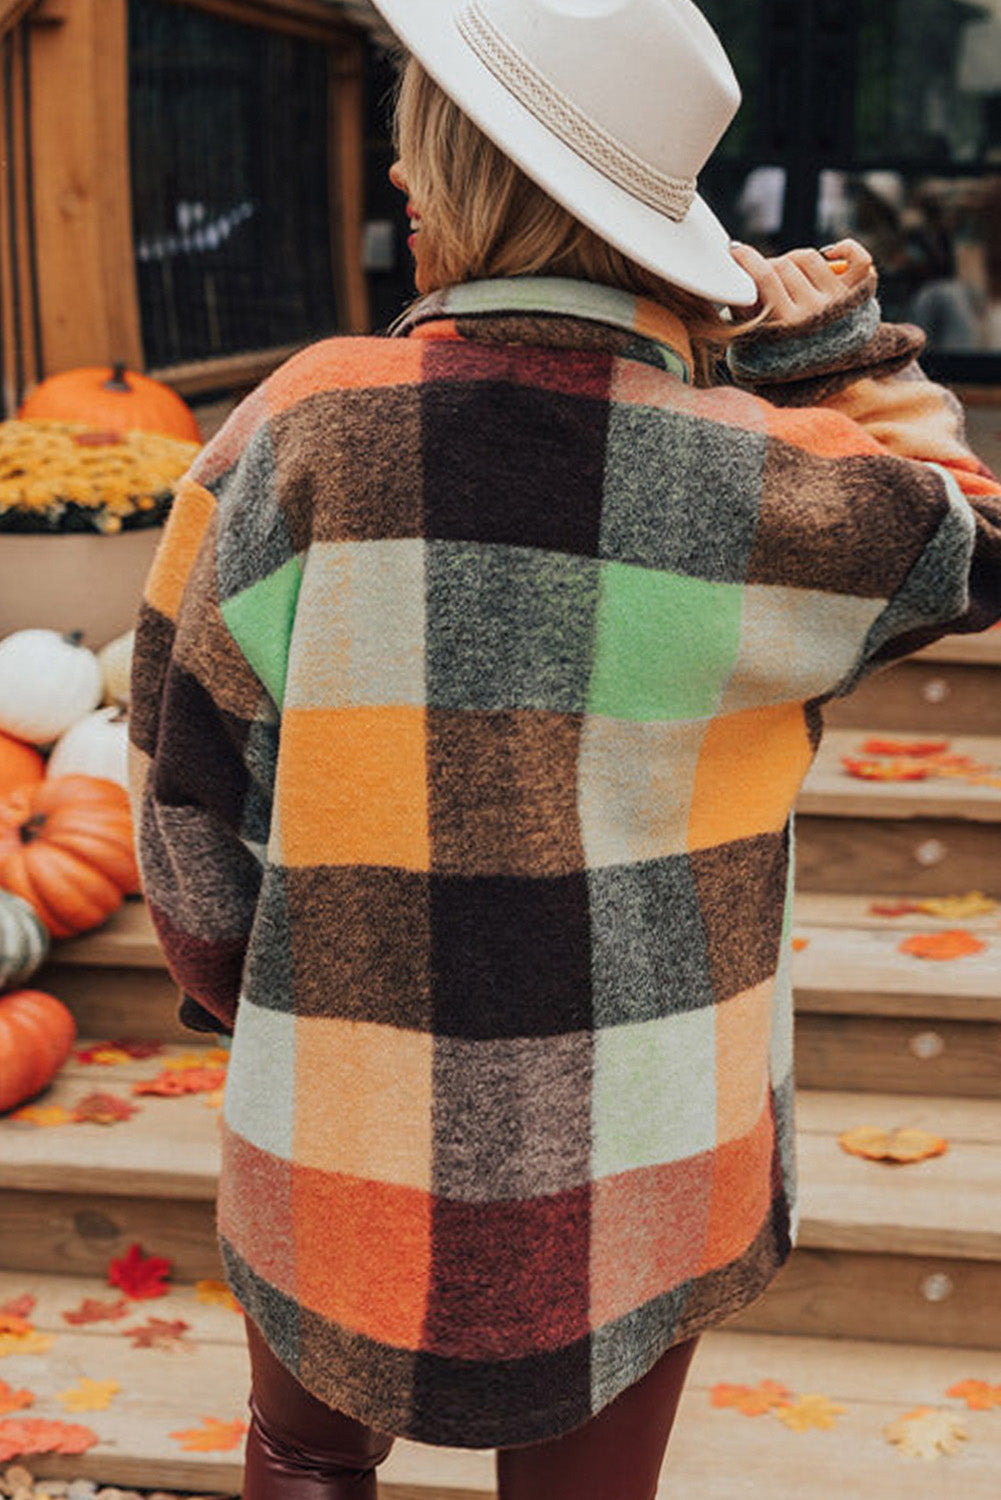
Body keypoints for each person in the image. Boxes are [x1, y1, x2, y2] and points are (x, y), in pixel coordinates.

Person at [127, 2, 1001, 1497]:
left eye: (423, 146)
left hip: (343, 1099)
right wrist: (820, 342)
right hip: (657, 1125)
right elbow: (971, 537)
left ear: (471, 179)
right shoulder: (760, 478)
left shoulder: (300, 431)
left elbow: (185, 773)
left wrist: (246, 995)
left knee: (303, 1459)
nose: (400, 179)